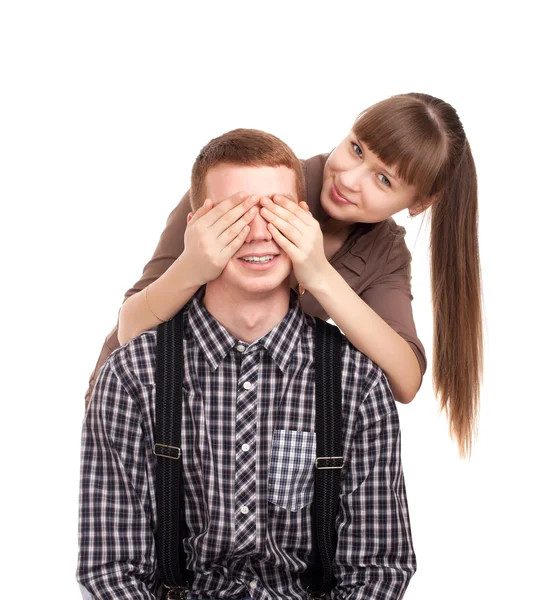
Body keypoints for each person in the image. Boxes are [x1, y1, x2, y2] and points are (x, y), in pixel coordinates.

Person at [77, 129, 416, 599]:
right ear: (197, 228)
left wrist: (317, 272)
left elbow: (376, 571)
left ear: (305, 224)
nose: (256, 230)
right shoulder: (134, 377)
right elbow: (112, 571)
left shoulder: (357, 384)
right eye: (234, 214)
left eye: (275, 212)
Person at [86, 93, 483, 457]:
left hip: (242, 421)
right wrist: (193, 267)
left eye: (383, 180)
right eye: (356, 148)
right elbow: (129, 328)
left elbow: (406, 379)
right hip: (146, 404)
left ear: (418, 203)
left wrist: (321, 275)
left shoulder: (384, 252)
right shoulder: (254, 179)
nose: (348, 178)